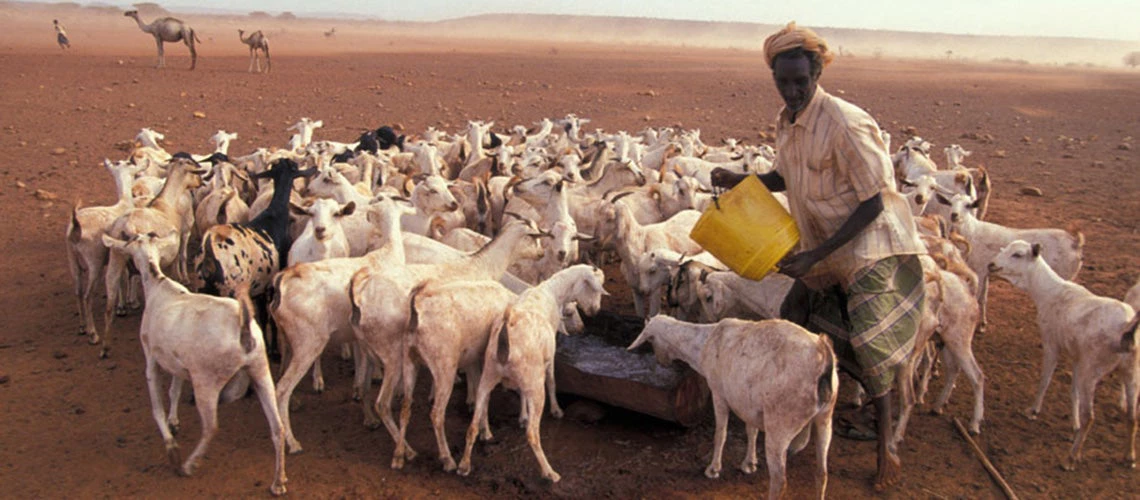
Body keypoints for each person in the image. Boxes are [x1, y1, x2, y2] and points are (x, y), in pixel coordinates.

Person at [711, 22, 925, 491]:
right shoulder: (785, 122)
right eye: (782, 81)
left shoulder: (846, 122)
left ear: (817, 74)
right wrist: (741, 180)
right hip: (826, 246)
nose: (791, 91)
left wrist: (815, 258)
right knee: (796, 317)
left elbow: (875, 201)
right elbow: (790, 177)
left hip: (872, 246)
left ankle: (887, 441)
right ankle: (802, 416)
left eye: (800, 82)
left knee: (871, 347)